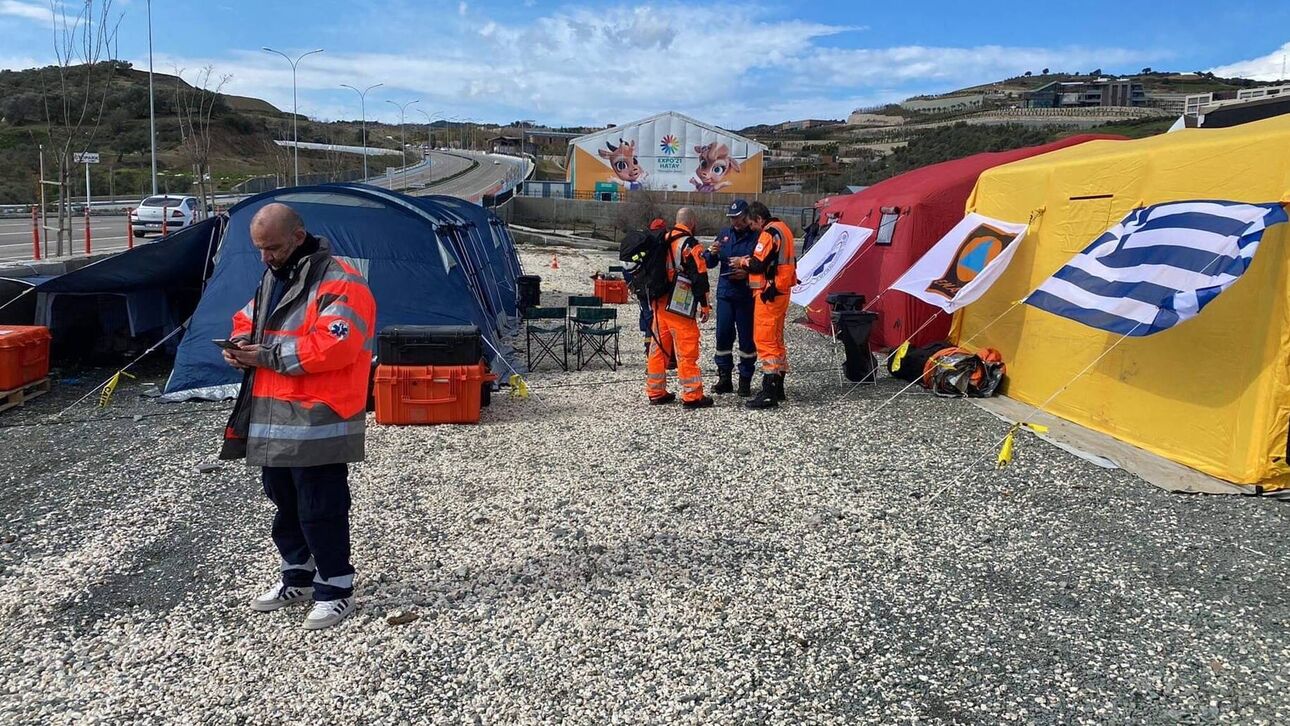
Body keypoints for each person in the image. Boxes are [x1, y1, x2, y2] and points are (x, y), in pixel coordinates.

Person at [219, 202, 376, 630]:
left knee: (319, 503)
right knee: (282, 498)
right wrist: (238, 344)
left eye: (271, 247)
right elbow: (247, 319)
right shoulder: (274, 277)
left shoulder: (342, 281)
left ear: (298, 237)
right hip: (273, 415)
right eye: (259, 249)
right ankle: (299, 575)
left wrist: (265, 356)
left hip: (319, 417)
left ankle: (336, 586)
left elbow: (335, 345)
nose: (265, 257)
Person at [645, 208, 713, 409]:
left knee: (657, 349)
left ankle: (656, 392)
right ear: (692, 222)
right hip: (679, 305)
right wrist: (704, 305)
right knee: (687, 350)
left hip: (659, 303)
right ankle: (692, 395)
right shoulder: (690, 244)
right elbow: (699, 277)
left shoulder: (662, 239)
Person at [730, 201, 796, 410]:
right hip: (781, 291)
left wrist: (741, 261)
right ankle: (778, 387)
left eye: (751, 224)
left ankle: (769, 393)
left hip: (769, 294)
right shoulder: (784, 229)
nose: (751, 228)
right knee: (776, 339)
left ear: (759, 219)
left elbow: (758, 263)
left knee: (765, 340)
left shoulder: (769, 233)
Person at [701, 200, 759, 397]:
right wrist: (710, 252)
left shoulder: (757, 237)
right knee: (723, 335)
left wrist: (747, 273)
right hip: (725, 294)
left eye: (739, 218)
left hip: (746, 295)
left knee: (747, 339)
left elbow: (763, 266)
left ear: (747, 216)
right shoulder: (725, 234)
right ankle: (724, 378)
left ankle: (745, 380)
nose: (735, 222)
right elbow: (709, 263)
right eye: (732, 218)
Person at [623, 217, 667, 355]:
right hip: (654, 288)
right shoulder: (659, 245)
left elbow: (627, 266)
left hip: (641, 287)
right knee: (653, 317)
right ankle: (653, 350)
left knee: (647, 315)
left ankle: (650, 347)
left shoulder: (641, 243)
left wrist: (631, 283)